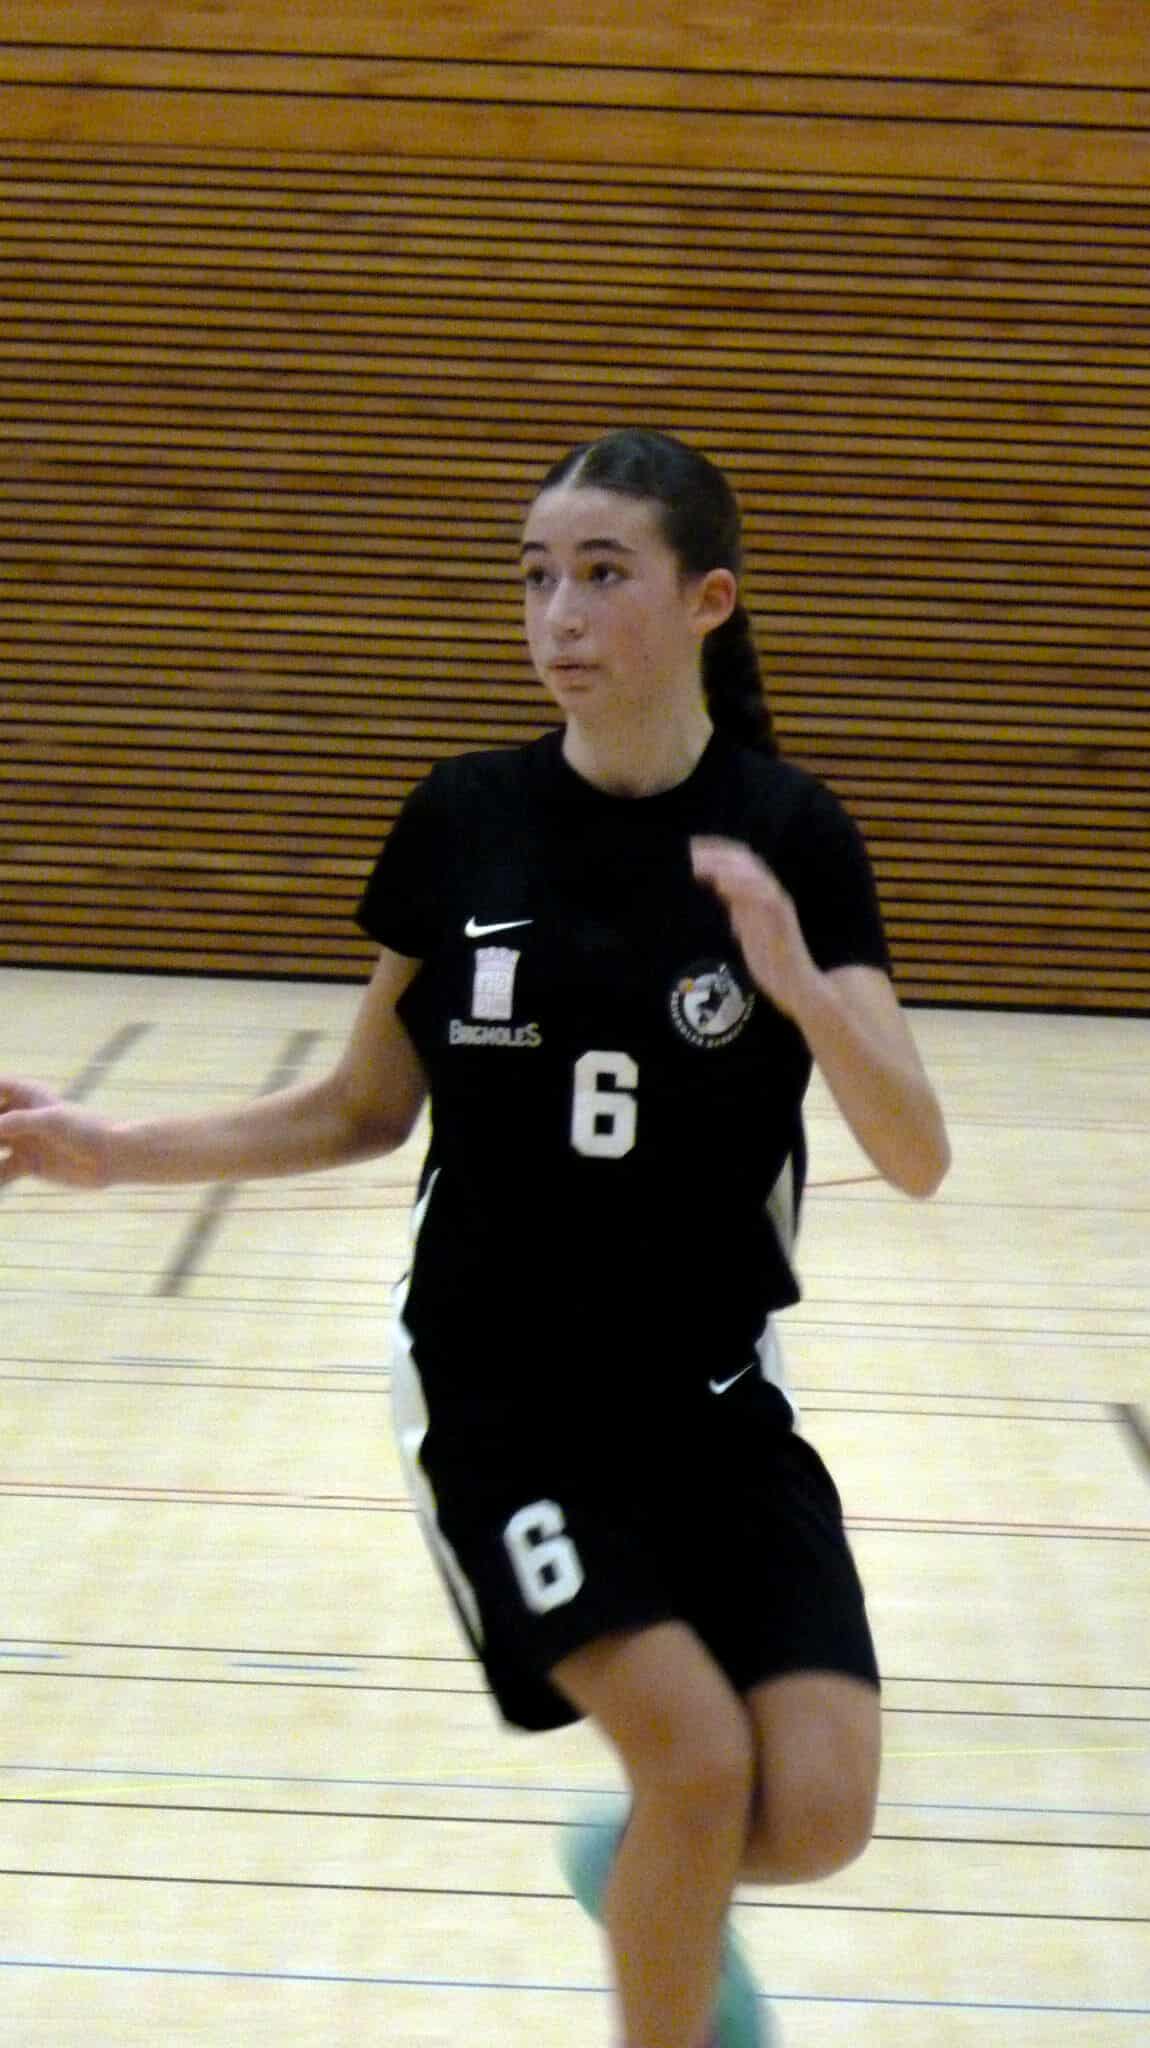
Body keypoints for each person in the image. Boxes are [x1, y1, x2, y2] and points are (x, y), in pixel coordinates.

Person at [0, 428, 951, 2048]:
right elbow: (360, 1107)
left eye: (603, 574)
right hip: (503, 1391)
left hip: (712, 1393)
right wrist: (118, 1150)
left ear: (707, 600)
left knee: (812, 1812)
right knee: (694, 1763)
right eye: (534, 577)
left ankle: (636, 1876)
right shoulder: (465, 821)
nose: (558, 614)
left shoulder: (790, 835)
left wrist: (800, 986)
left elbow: (914, 1154)